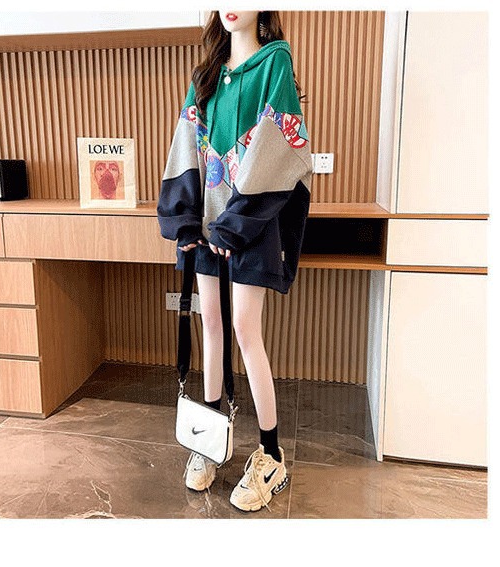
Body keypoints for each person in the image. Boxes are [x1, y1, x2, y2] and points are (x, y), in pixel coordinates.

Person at [157, 10, 312, 512]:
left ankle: (271, 454)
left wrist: (237, 221)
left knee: (245, 330)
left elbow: (280, 146)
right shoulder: (206, 74)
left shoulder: (275, 63)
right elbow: (186, 143)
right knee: (211, 325)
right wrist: (184, 218)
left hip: (251, 224)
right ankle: (209, 437)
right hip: (208, 225)